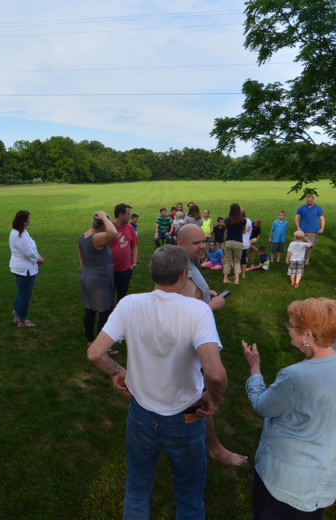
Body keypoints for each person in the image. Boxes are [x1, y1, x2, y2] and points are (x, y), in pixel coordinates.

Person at [87, 245, 229, 519]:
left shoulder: (129, 303)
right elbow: (215, 374)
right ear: (182, 277)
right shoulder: (198, 311)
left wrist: (116, 370)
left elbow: (94, 353)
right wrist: (214, 399)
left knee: (137, 489)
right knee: (188, 498)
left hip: (140, 416)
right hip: (185, 419)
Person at [242, 298, 336, 519]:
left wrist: (255, 370)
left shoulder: (295, 376)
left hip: (285, 484)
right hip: (323, 480)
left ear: (307, 334)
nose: (287, 330)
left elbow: (261, 405)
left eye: (291, 326)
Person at [177, 225, 246, 466]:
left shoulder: (191, 264)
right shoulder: (180, 272)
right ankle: (214, 448)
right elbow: (180, 319)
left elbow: (192, 298)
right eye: (196, 243)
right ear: (181, 245)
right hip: (192, 344)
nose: (203, 246)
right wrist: (210, 306)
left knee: (194, 392)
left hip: (199, 338)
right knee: (199, 394)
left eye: (204, 241)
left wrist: (206, 294)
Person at [78, 211, 117, 344]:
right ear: (102, 225)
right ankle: (101, 345)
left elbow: (81, 260)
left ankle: (90, 341)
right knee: (104, 312)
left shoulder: (82, 236)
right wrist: (104, 217)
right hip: (99, 280)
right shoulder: (96, 238)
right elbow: (113, 233)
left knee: (90, 309)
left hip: (88, 275)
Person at [9, 210, 44, 328]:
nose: (30, 220)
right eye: (29, 218)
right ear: (24, 221)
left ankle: (17, 316)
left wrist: (38, 255)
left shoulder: (21, 232)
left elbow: (31, 244)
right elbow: (28, 252)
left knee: (21, 293)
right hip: (25, 270)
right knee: (25, 296)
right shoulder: (19, 235)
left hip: (21, 268)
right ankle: (21, 321)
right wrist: (38, 260)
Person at [109, 203, 139, 302]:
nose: (130, 216)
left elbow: (134, 246)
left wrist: (134, 263)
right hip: (110, 270)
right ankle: (109, 316)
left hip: (126, 270)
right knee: (109, 297)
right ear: (121, 215)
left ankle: (121, 314)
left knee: (122, 297)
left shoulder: (129, 227)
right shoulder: (109, 228)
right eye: (128, 214)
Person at [294, 195, 326, 264]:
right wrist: (298, 227)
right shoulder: (302, 208)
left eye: (311, 201)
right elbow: (296, 217)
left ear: (313, 200)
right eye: (308, 201)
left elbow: (322, 218)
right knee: (299, 245)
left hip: (313, 230)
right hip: (302, 230)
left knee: (310, 246)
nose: (309, 202)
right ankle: (299, 258)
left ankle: (307, 260)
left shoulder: (318, 208)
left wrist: (322, 228)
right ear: (306, 201)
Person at [223, 204, 247, 285]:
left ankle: (225, 278)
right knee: (237, 261)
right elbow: (243, 231)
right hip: (238, 242)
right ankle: (236, 280)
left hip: (228, 242)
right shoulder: (243, 220)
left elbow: (226, 230)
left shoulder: (226, 220)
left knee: (227, 261)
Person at [240, 209, 253, 279]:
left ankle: (239, 273)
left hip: (239, 242)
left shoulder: (238, 220)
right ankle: (243, 273)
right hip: (245, 242)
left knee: (238, 258)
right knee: (243, 258)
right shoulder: (249, 221)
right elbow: (250, 232)